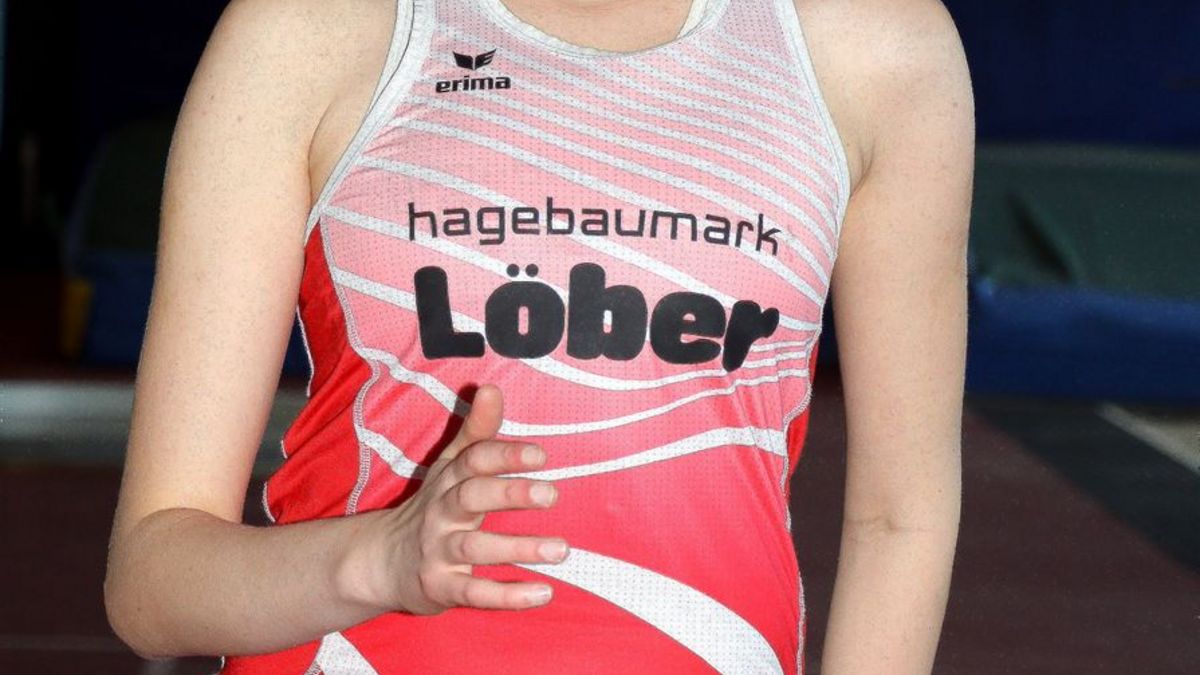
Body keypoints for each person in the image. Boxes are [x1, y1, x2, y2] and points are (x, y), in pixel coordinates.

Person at [103, 0, 972, 672]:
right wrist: (375, 560)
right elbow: (150, 580)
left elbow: (900, 517)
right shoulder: (314, 28)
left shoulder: (872, 45)